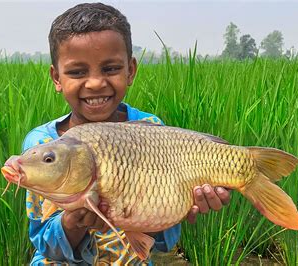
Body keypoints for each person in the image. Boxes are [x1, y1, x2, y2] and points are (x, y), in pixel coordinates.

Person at [21, 3, 231, 265]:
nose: (96, 83)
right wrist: (73, 221)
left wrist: (184, 205)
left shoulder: (151, 128)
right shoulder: (44, 147)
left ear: (130, 70)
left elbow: (164, 240)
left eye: (110, 69)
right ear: (56, 77)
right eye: (77, 72)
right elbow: (43, 243)